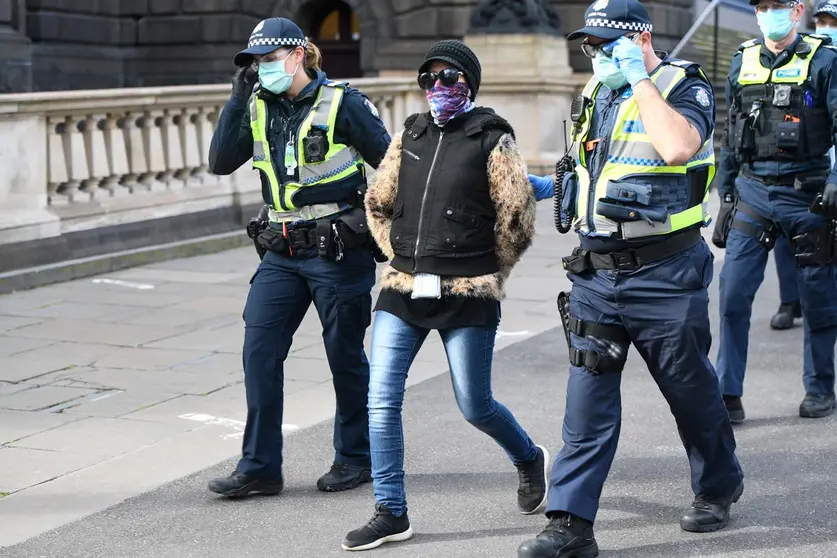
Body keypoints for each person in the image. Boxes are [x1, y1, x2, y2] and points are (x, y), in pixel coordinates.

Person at [519, 0, 745, 555]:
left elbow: (676, 147)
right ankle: (570, 524)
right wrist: (547, 187)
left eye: (606, 44)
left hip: (665, 273)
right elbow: (591, 168)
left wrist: (641, 78)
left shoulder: (681, 86)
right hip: (596, 276)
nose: (594, 54)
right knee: (586, 403)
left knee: (689, 391)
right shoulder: (597, 93)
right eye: (589, 45)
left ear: (641, 37)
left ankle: (718, 485)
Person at [341, 39, 548, 552]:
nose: (439, 88)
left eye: (449, 78)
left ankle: (527, 458)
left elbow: (515, 215)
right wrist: (399, 251)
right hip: (404, 287)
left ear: (469, 84)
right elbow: (379, 200)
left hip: (468, 292)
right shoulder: (409, 132)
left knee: (474, 404)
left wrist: (486, 269)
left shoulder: (492, 135)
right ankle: (391, 511)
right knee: (382, 400)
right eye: (430, 79)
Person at [205, 17, 391, 498]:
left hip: (337, 251)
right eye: (254, 63)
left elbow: (394, 167)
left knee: (344, 357)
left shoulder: (344, 104)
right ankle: (260, 467)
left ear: (296, 55)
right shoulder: (257, 106)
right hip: (280, 251)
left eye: (268, 60)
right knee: (259, 353)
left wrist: (380, 230)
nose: (261, 70)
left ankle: (356, 459)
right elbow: (220, 162)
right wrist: (236, 97)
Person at [711, 0, 837, 424]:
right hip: (754, 192)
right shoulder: (742, 60)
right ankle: (728, 393)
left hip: (808, 197)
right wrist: (725, 193)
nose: (768, 13)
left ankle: (820, 387)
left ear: (797, 9)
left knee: (818, 299)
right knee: (731, 295)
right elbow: (731, 132)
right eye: (761, 6)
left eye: (777, 5)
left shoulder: (823, 60)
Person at [770, 0, 837, 331]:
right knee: (788, 237)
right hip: (812, 169)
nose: (827, 28)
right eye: (822, 21)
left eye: (833, 23)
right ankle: (789, 300)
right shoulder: (811, 61)